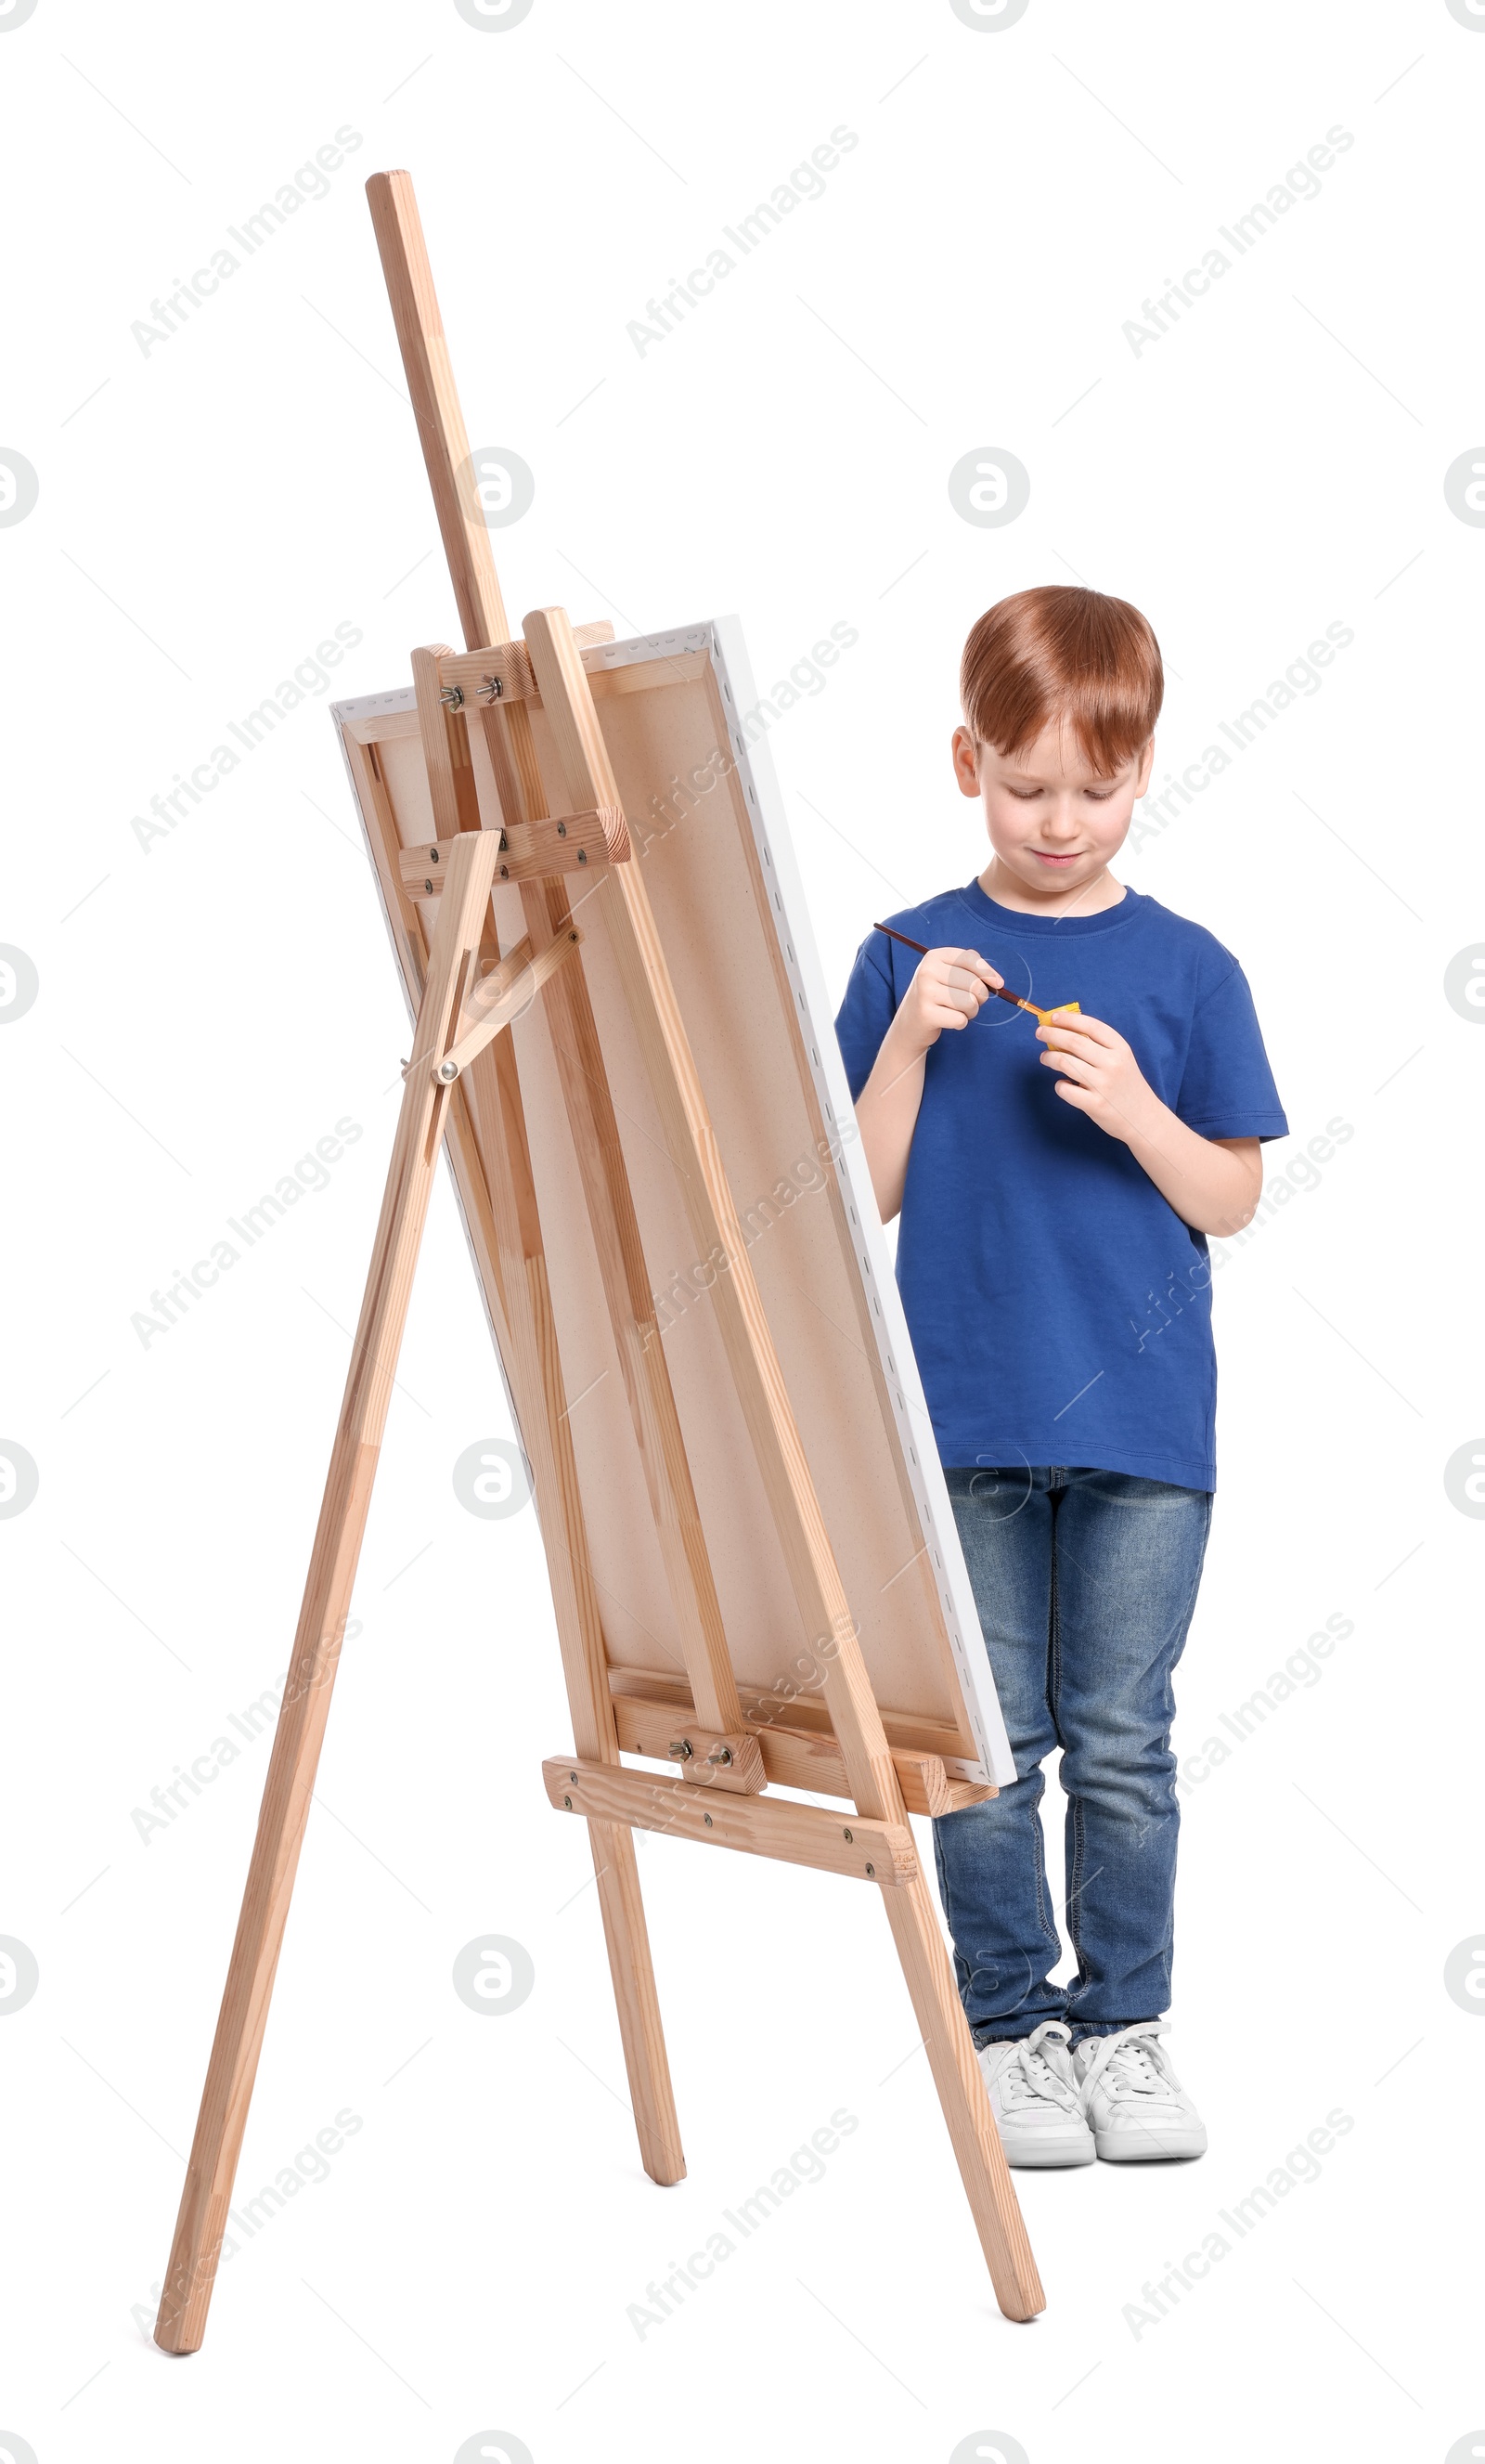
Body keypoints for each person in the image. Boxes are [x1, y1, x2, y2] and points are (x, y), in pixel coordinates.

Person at [833, 586, 1288, 2166]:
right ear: (967, 761)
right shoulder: (905, 953)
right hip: (959, 1418)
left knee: (1122, 1736)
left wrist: (1139, 1111)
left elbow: (1231, 1192)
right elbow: (855, 1196)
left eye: (1096, 788)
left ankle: (1128, 2030)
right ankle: (1013, 2027)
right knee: (983, 1741)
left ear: (1145, 769)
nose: (1059, 819)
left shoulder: (1190, 969)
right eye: (1027, 786)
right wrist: (904, 1047)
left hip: (1149, 1430)